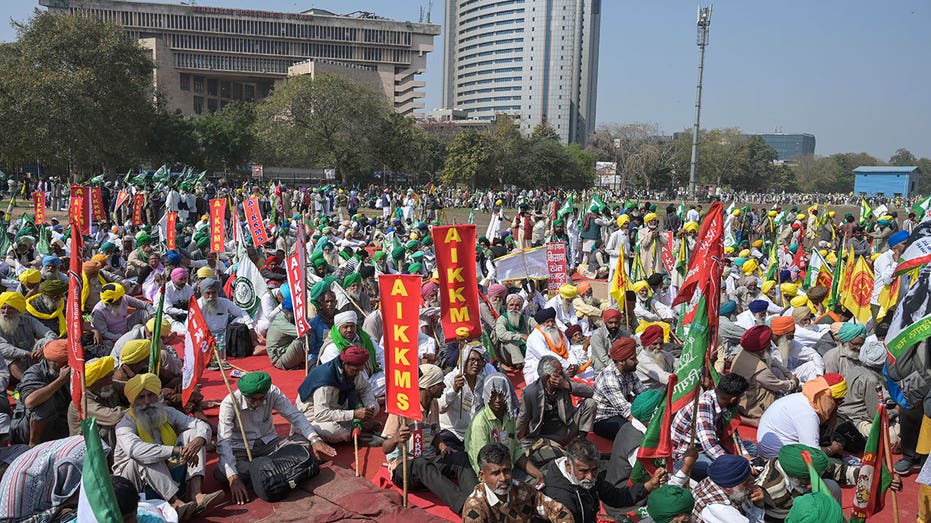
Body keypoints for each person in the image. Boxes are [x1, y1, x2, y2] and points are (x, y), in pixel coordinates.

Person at [112, 373, 223, 518]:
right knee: (144, 456)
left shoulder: (166, 413)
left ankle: (196, 494)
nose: (147, 402)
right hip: (135, 480)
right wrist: (176, 450)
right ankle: (176, 503)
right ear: (133, 402)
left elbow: (200, 425)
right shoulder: (124, 425)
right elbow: (136, 450)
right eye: (141, 397)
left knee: (193, 434)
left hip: (166, 468)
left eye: (151, 395)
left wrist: (200, 440)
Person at [216, 371, 336, 505]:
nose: (258, 403)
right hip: (241, 449)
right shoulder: (229, 403)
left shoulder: (272, 392)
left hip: (270, 444)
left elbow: (294, 415)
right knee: (223, 472)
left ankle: (263, 473)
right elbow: (224, 441)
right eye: (252, 400)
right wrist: (233, 477)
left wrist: (315, 439)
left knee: (304, 443)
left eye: (261, 398)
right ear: (244, 395)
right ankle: (270, 470)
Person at [381, 364, 478, 514]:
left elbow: (435, 434)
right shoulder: (402, 408)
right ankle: (466, 509)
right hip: (405, 467)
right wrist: (395, 439)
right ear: (428, 387)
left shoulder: (433, 404)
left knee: (461, 457)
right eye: (440, 383)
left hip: (428, 459)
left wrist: (442, 447)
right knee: (420, 464)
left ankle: (477, 500)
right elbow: (385, 448)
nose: (444, 386)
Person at [542, 438, 664, 523]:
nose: (590, 477)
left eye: (594, 469)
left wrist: (649, 485)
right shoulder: (561, 498)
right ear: (569, 466)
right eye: (583, 471)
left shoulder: (587, 479)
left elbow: (615, 497)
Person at [461, 442, 573, 523]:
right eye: (496, 473)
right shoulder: (475, 507)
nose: (503, 478)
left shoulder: (522, 489)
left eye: (506, 471)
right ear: (482, 476)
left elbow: (558, 510)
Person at [464, 373, 545, 483]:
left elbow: (516, 450)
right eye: (493, 395)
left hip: (509, 470)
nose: (497, 400)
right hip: (492, 476)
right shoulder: (480, 423)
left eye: (501, 395)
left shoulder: (509, 417)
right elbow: (481, 462)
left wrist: (537, 474)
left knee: (540, 482)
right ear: (487, 395)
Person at [296, 345, 379, 444]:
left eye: (359, 370)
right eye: (354, 370)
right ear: (344, 364)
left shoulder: (353, 371)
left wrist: (369, 407)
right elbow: (320, 414)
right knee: (334, 431)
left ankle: (357, 427)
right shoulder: (325, 381)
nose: (357, 374)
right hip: (312, 416)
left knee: (375, 407)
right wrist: (354, 414)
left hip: (337, 408)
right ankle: (354, 431)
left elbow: (365, 388)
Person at [671, 373, 750, 477]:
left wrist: (746, 455)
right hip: (686, 455)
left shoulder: (722, 401)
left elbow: (732, 432)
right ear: (734, 399)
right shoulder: (704, 405)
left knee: (750, 447)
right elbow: (710, 446)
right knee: (722, 469)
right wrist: (734, 465)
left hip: (704, 447)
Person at [756, 374, 848, 459]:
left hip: (776, 446)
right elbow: (813, 454)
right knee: (829, 464)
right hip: (778, 457)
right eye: (837, 401)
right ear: (825, 397)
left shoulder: (806, 399)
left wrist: (834, 407)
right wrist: (833, 449)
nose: (836, 405)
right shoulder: (808, 414)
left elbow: (828, 428)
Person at [516, 356, 595, 451]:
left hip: (566, 428)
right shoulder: (531, 392)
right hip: (543, 436)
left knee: (590, 403)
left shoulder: (564, 381)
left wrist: (568, 385)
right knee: (523, 450)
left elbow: (590, 392)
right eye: (559, 373)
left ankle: (581, 441)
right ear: (548, 377)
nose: (563, 375)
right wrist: (515, 438)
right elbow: (523, 418)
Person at [729, 325, 798, 422]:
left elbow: (773, 362)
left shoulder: (744, 352)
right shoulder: (760, 369)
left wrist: (789, 374)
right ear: (761, 349)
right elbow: (778, 385)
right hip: (754, 408)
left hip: (743, 399)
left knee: (776, 370)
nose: (770, 345)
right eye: (768, 343)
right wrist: (793, 383)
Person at [10, 339, 72, 445]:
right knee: (44, 403)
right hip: (27, 429)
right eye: (63, 363)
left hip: (59, 421)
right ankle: (33, 444)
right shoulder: (34, 372)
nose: (66, 366)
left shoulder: (69, 370)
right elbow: (30, 401)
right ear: (51, 361)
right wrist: (60, 380)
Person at [319, 310, 386, 399]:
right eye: (345, 327)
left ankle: (367, 395)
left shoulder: (363, 337)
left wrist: (386, 371)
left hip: (369, 378)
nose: (349, 330)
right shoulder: (332, 347)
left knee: (394, 377)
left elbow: (380, 354)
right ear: (339, 328)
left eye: (352, 326)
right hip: (347, 384)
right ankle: (363, 396)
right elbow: (337, 373)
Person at [66, 356, 127, 448]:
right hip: (88, 451)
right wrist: (137, 408)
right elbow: (114, 417)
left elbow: (132, 387)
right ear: (95, 380)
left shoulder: (108, 386)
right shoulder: (82, 402)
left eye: (111, 375)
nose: (110, 380)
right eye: (106, 378)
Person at [592, 337, 645, 439]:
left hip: (621, 413)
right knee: (634, 432)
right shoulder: (609, 379)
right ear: (621, 361)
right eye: (632, 359)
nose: (637, 361)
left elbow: (643, 394)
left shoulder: (629, 372)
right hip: (604, 419)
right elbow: (627, 413)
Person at [438, 342, 489, 450]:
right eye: (472, 360)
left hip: (473, 434)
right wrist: (454, 389)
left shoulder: (483, 380)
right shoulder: (451, 378)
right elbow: (440, 407)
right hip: (451, 434)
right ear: (465, 360)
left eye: (479, 361)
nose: (476, 364)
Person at [523, 307, 591, 385]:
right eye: (547, 322)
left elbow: (569, 350)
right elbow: (546, 355)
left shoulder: (559, 332)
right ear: (541, 324)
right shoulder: (535, 337)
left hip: (562, 365)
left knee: (587, 373)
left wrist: (574, 365)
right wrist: (568, 366)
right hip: (540, 368)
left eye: (552, 321)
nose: (551, 324)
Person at [0, 290, 57, 381]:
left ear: (18, 310)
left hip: (31, 358)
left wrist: (43, 349)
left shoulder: (29, 321)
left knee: (45, 343)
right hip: (8, 366)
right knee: (9, 359)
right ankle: (27, 382)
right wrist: (26, 353)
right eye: (3, 308)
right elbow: (3, 348)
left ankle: (51, 374)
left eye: (10, 308)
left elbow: (50, 334)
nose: (6, 312)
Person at [690, 453, 765, 522]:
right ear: (728, 487)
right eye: (746, 482)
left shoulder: (717, 478)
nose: (751, 485)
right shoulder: (722, 509)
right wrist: (758, 508)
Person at [92, 282, 155, 351]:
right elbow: (104, 333)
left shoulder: (123, 298)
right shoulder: (98, 312)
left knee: (143, 312)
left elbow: (145, 305)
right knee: (107, 345)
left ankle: (153, 334)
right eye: (117, 301)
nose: (120, 301)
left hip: (127, 326)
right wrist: (121, 337)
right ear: (109, 302)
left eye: (120, 298)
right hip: (114, 337)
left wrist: (155, 317)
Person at [265, 283, 309, 370]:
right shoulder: (282, 322)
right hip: (280, 359)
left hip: (285, 350)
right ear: (291, 312)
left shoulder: (285, 317)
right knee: (303, 339)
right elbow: (302, 333)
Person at [494, 293, 535, 371]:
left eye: (517, 305)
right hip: (507, 354)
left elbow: (538, 326)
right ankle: (522, 364)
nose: (514, 308)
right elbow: (501, 334)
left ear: (520, 307)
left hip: (525, 351)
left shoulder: (526, 318)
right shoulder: (503, 318)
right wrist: (520, 336)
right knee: (511, 341)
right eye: (511, 305)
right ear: (507, 306)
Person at [588, 308, 629, 374]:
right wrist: (622, 367)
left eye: (616, 322)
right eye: (610, 323)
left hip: (620, 370)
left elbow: (636, 342)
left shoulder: (622, 333)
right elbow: (604, 359)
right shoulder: (597, 335)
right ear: (605, 322)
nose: (614, 325)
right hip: (602, 371)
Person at [636, 324, 675, 390]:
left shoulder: (665, 354)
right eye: (654, 344)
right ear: (647, 344)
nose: (658, 347)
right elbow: (665, 377)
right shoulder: (643, 360)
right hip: (650, 395)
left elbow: (679, 364)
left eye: (661, 343)